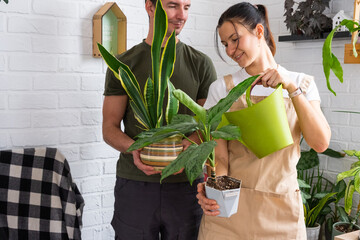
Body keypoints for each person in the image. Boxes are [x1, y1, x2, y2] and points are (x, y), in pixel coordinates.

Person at [196, 2, 331, 239]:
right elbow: (220, 156)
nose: (229, 50)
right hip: (229, 213)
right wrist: (214, 191)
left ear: (259, 32)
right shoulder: (222, 89)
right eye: (225, 44)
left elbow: (320, 143)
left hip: (282, 213)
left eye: (235, 39)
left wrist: (291, 87)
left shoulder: (302, 83)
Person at [102, 0, 217, 239]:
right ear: (150, 6)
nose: (181, 15)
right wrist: (134, 149)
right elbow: (109, 127)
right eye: (173, 5)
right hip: (135, 184)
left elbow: (209, 124)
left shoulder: (201, 63)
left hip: (188, 186)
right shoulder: (124, 64)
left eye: (187, 7)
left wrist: (192, 144)